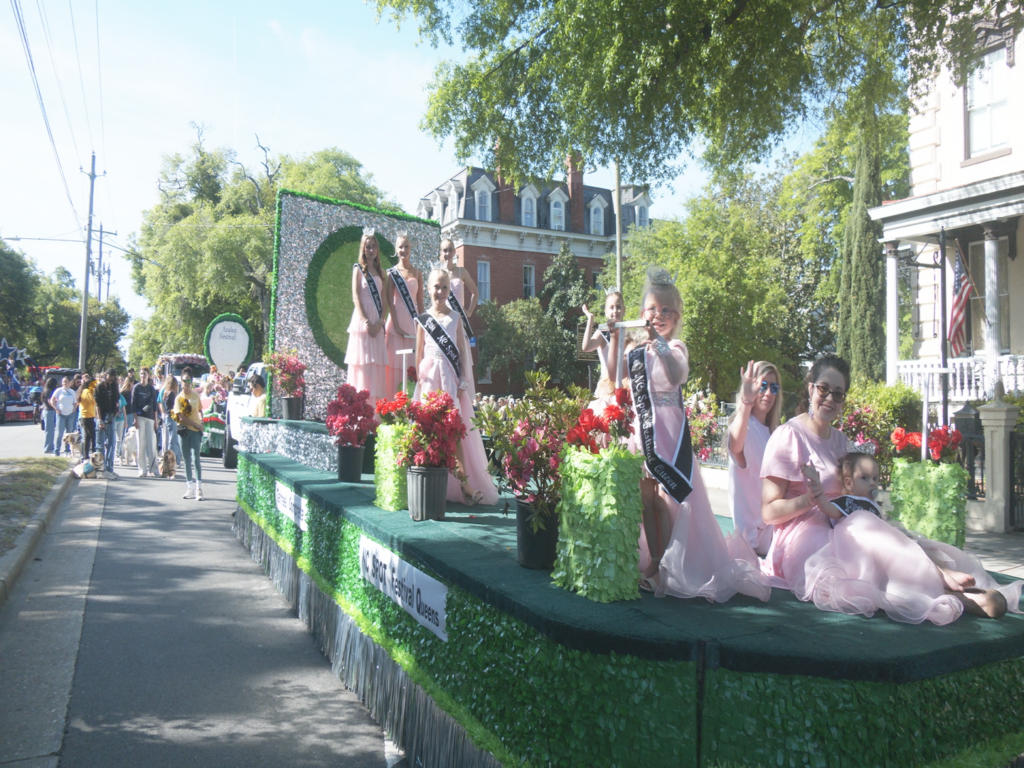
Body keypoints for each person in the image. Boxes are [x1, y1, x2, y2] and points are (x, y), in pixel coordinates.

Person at [761, 354, 1021, 624]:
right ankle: (945, 588)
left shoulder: (840, 441)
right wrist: (811, 499)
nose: (829, 399)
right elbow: (769, 513)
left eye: (838, 394)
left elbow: (851, 496)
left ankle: (942, 577)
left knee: (890, 535)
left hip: (843, 522)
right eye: (824, 389)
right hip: (803, 536)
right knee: (866, 548)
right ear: (810, 387)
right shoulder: (789, 435)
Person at [629, 268, 769, 603]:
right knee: (646, 499)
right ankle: (651, 562)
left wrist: (659, 343)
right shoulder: (636, 353)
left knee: (667, 500)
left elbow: (677, 374)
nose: (658, 316)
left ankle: (665, 565)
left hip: (669, 434)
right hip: (642, 430)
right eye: (652, 309)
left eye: (666, 311)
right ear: (642, 313)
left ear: (676, 317)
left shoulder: (675, 346)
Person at [413, 267, 498, 507]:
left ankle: (465, 484)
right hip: (429, 379)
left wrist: (463, 384)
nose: (439, 292)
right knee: (429, 430)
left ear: (450, 290)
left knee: (454, 432)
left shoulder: (456, 318)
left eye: (444, 287)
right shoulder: (422, 319)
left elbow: (461, 353)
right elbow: (418, 354)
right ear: (428, 289)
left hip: (449, 380)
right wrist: (419, 381)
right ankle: (428, 480)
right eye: (436, 287)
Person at [728, 360, 782, 556]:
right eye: (763, 386)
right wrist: (746, 402)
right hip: (756, 537)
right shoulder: (745, 428)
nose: (768, 393)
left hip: (774, 525)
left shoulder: (774, 434)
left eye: (773, 387)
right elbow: (735, 446)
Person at [344, 230, 389, 407]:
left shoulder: (381, 271)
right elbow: (356, 297)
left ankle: (375, 412)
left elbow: (384, 299)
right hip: (362, 321)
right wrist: (367, 322)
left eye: (374, 246)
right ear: (363, 249)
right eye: (368, 246)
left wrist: (380, 322)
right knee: (362, 363)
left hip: (377, 321)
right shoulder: (358, 269)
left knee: (376, 365)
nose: (371, 250)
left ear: (377, 248)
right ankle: (359, 407)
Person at [385, 233, 423, 397]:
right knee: (394, 365)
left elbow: (420, 303)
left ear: (411, 249)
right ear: (396, 249)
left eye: (406, 246)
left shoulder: (418, 273)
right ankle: (393, 406)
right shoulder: (392, 273)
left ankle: (409, 405)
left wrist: (423, 326)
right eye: (400, 246)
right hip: (396, 324)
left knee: (411, 366)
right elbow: (389, 300)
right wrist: (396, 324)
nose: (403, 250)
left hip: (413, 322)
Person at [440, 239, 480, 393]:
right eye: (444, 250)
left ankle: (462, 395)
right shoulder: (438, 273)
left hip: (458, 323)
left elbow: (475, 292)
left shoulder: (461, 272)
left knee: (461, 358)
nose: (448, 253)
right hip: (443, 323)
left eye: (450, 250)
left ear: (455, 252)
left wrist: (469, 311)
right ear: (440, 253)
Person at [581, 290, 626, 408]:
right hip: (608, 388)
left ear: (624, 310)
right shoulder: (603, 332)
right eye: (611, 308)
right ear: (606, 312)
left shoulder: (627, 333)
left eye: (618, 307)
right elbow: (586, 347)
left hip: (625, 386)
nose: (615, 311)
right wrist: (590, 320)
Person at [173, 367, 205, 500]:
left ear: (191, 382)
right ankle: (189, 487)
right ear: (181, 382)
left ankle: (199, 488)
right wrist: (196, 424)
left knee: (196, 458)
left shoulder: (196, 395)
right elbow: (181, 417)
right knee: (186, 460)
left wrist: (201, 421)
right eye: (184, 381)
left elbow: (200, 410)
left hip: (195, 432)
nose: (186, 383)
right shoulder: (178, 398)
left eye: (189, 381)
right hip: (184, 431)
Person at [132, 368, 159, 477]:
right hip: (140, 417)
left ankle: (154, 469)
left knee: (151, 444)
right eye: (141, 373)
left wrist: (156, 421)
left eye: (145, 374)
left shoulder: (151, 388)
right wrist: (135, 419)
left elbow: (155, 406)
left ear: (148, 375)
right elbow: (133, 404)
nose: (143, 376)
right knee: (141, 444)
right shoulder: (136, 388)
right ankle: (142, 470)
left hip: (150, 418)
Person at [95, 369, 121, 475]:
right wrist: (100, 420)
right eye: (109, 378)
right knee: (100, 444)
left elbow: (116, 400)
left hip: (112, 416)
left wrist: (117, 409)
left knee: (112, 443)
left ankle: (110, 468)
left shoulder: (115, 386)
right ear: (106, 376)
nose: (111, 380)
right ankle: (101, 467)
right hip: (102, 415)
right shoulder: (100, 386)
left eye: (113, 378)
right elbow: (97, 405)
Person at [158, 373, 184, 466]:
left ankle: (172, 460)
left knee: (171, 439)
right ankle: (172, 460)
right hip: (172, 417)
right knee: (173, 441)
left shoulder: (165, 393)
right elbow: (175, 407)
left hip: (168, 417)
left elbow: (162, 404)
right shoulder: (172, 394)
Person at [51, 376, 77, 455]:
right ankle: (56, 450)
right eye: (63, 382)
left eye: (66, 382)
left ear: (69, 382)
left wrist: (74, 409)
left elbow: (75, 402)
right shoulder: (59, 391)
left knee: (69, 433)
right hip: (61, 414)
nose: (64, 383)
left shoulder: (72, 392)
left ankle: (67, 450)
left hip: (70, 414)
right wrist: (56, 408)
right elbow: (52, 400)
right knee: (59, 433)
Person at [76, 374, 98, 457]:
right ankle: (93, 453)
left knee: (88, 437)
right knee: (92, 436)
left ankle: (86, 455)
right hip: (87, 417)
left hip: (87, 416)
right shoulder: (87, 391)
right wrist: (94, 392)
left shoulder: (85, 391)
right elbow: (93, 401)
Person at [41, 376, 58, 454]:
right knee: (50, 430)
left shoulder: (45, 390)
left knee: (50, 430)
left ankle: (50, 446)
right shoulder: (49, 391)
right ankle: (48, 447)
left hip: (47, 411)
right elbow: (49, 401)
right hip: (49, 411)